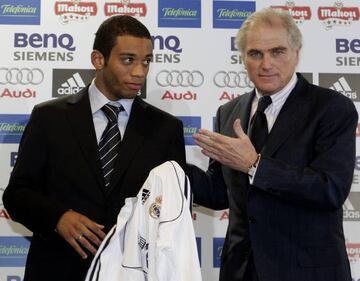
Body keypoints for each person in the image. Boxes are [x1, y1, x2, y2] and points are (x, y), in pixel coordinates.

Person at [3, 15, 186, 281]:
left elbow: (172, 210)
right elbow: (17, 195)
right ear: (98, 60)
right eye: (128, 60)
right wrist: (58, 218)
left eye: (146, 61)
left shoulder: (165, 128)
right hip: (58, 270)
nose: (140, 72)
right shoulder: (49, 117)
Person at [188, 8, 357, 281]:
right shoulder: (229, 111)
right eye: (255, 54)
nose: (266, 64)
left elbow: (330, 190)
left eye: (277, 52)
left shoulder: (331, 108)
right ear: (242, 58)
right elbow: (219, 193)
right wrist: (167, 161)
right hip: (241, 272)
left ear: (296, 53)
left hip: (305, 272)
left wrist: (254, 165)